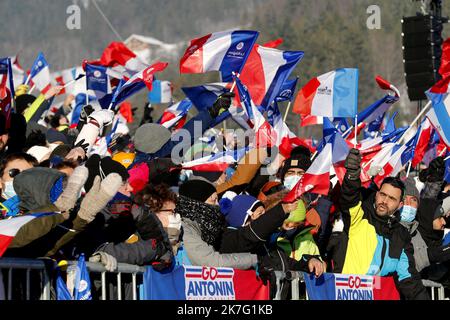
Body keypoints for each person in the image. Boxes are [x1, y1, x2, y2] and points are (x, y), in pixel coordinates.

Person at [339, 148, 429, 300]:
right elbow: (349, 199)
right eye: (382, 194)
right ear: (376, 195)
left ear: (400, 205)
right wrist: (352, 176)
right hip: (346, 294)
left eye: (391, 199)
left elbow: (408, 277)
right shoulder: (360, 217)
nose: (384, 201)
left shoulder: (401, 235)